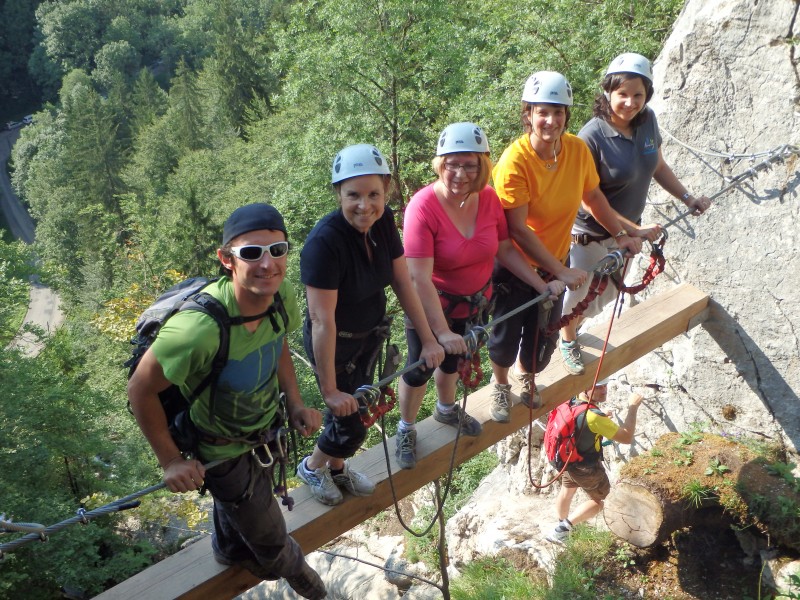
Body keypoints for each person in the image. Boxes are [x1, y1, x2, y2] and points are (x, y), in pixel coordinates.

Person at [128, 203, 326, 599]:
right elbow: (140, 390)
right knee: (271, 543)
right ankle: (300, 573)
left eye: (278, 250)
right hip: (219, 446)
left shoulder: (280, 294)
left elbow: (278, 342)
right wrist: (171, 460)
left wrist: (295, 402)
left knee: (240, 510)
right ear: (227, 259)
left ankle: (228, 548)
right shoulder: (197, 330)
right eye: (251, 253)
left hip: (265, 430)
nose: (267, 264)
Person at [395, 122, 565, 469]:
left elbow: (504, 248)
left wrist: (539, 284)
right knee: (419, 368)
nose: (459, 173)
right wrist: (441, 332)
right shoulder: (422, 207)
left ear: (482, 166)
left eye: (469, 164)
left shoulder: (488, 199)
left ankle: (445, 410)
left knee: (455, 361)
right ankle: (406, 427)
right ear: (439, 163)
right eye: (451, 163)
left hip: (474, 302)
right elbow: (418, 277)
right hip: (432, 305)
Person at [298, 143, 444, 503]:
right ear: (338, 194)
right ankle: (313, 467)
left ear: (386, 191)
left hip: (367, 338)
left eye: (373, 194)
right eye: (353, 196)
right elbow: (321, 320)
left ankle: (335, 468)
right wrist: (330, 390)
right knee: (351, 424)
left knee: (357, 413)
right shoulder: (324, 244)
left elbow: (402, 282)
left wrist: (428, 339)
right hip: (333, 342)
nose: (365, 205)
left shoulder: (382, 225)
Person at [489, 70, 642, 407]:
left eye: (558, 112)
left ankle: (527, 378)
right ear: (528, 114)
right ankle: (501, 386)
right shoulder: (515, 161)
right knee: (506, 336)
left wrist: (621, 234)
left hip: (556, 261)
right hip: (516, 265)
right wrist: (558, 272)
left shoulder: (574, 149)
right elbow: (516, 229)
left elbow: (594, 197)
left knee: (542, 339)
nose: (551, 120)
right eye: (543, 112)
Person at [559, 53, 713, 375]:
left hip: (627, 235)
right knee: (581, 297)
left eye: (638, 95)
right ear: (607, 93)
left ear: (647, 96)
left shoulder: (647, 121)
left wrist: (687, 198)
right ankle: (567, 339)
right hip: (591, 234)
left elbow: (656, 165)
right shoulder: (592, 137)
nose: (630, 102)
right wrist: (630, 231)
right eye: (622, 94)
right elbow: (590, 199)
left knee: (606, 296)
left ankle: (568, 326)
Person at [545, 380, 643, 544]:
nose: (604, 390)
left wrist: (601, 415)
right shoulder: (593, 416)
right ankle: (561, 531)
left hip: (567, 460)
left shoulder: (571, 401)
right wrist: (632, 407)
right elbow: (626, 437)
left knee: (567, 491)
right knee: (601, 501)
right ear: (584, 388)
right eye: (597, 387)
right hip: (585, 466)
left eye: (605, 385)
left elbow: (580, 423)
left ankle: (561, 523)